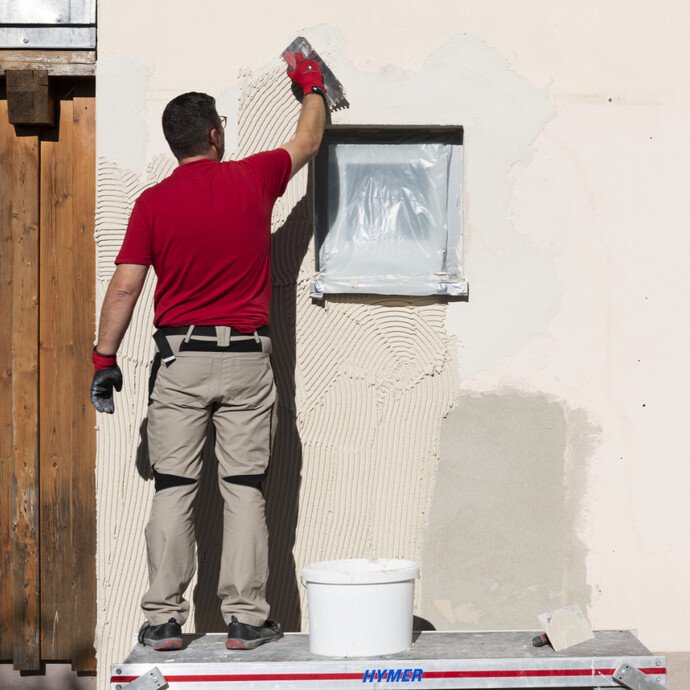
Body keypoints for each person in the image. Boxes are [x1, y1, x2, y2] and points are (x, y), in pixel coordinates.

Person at [89, 53, 326, 651]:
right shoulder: (252, 179)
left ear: (175, 145)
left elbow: (124, 286)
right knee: (243, 488)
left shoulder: (152, 203)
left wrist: (104, 359)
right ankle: (246, 619)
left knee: (173, 486)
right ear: (215, 134)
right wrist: (312, 86)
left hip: (180, 359)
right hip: (248, 359)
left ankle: (165, 620)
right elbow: (309, 138)